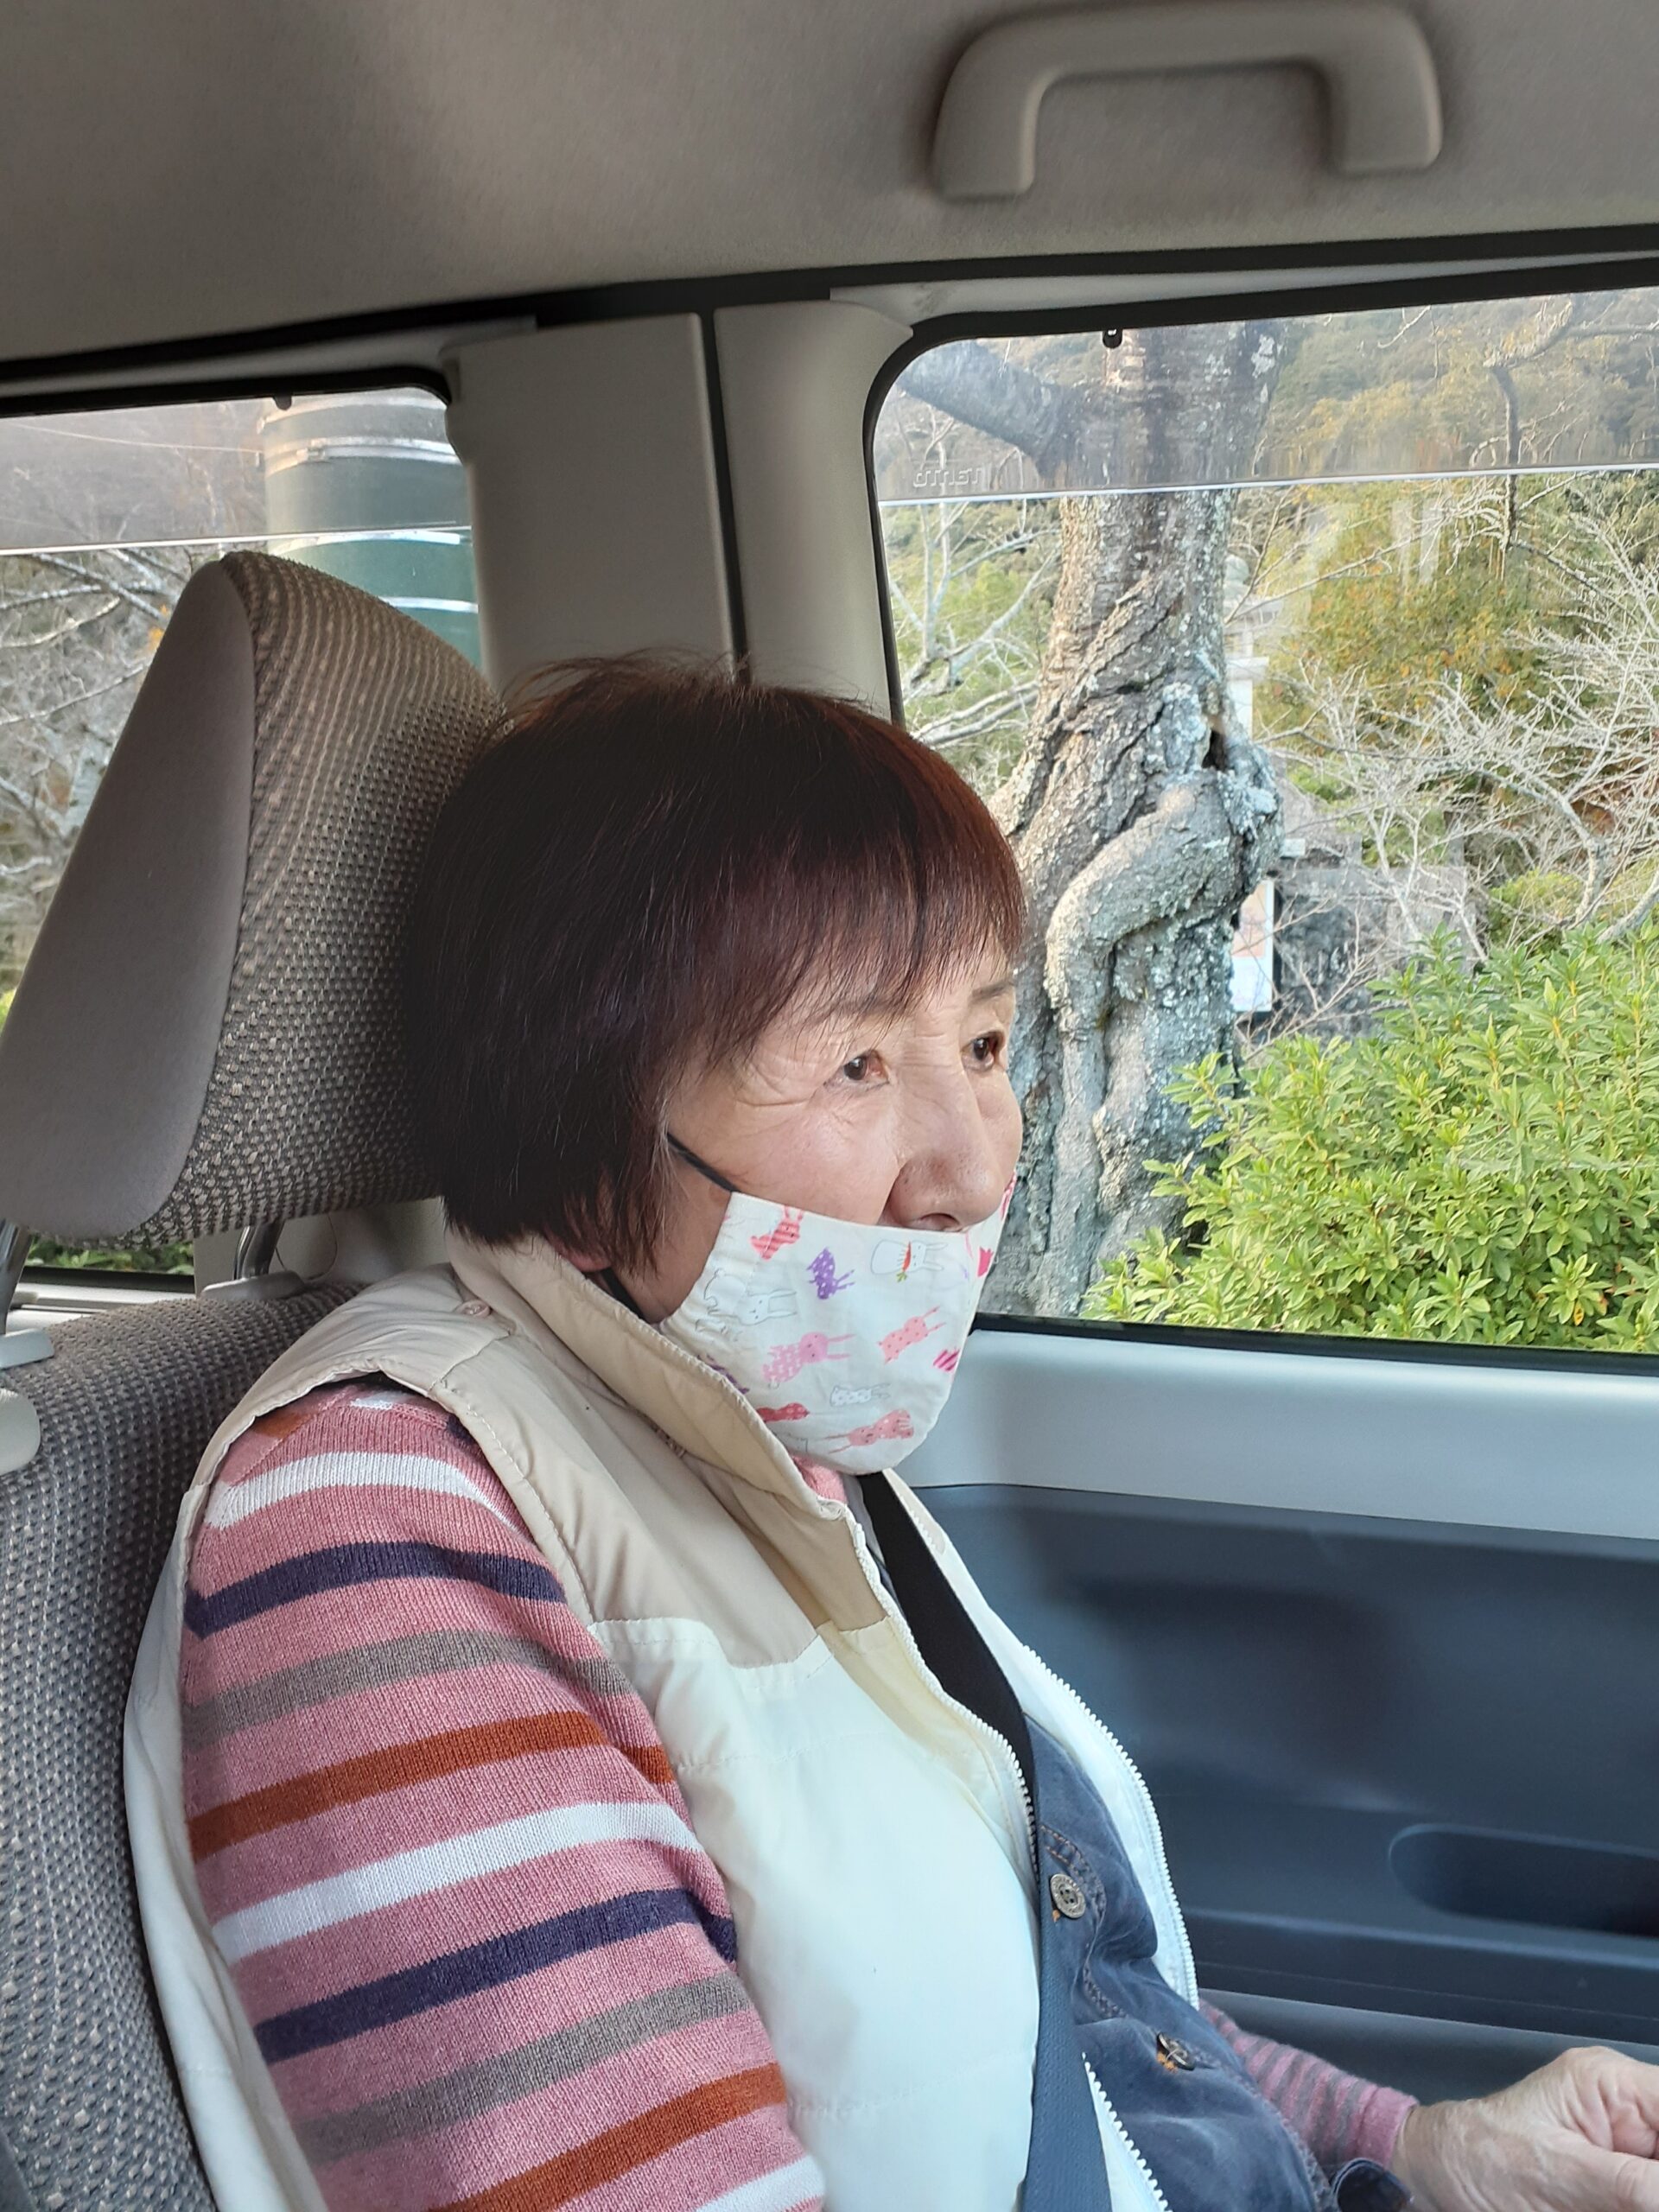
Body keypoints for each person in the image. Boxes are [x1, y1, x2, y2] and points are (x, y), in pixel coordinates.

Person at [130, 662, 1659, 2212]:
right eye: (856, 1063)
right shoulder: (377, 1520)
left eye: (983, 1046)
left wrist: (1420, 2150)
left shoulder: (762, 1437)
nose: (975, 1170)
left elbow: (1064, 2023)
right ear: (586, 1153)